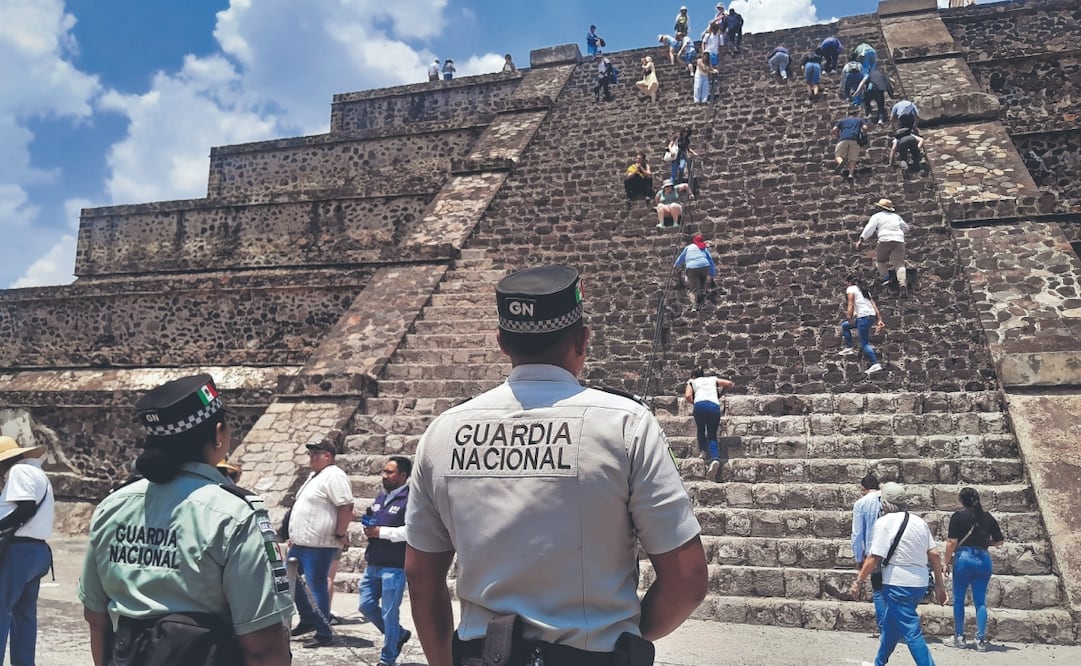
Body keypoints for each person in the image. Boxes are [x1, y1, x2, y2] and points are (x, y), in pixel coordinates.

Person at [405, 265, 708, 666]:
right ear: (582, 340)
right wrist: (628, 633)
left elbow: (421, 576)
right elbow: (687, 579)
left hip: (482, 656)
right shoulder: (624, 424)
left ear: (501, 343)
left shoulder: (444, 432)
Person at [77, 374, 293, 666]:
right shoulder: (235, 515)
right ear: (218, 434)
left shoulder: (112, 507)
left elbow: (96, 618)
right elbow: (263, 646)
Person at [849, 482, 946, 666]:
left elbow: (874, 557)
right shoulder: (919, 522)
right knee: (891, 625)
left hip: (897, 583)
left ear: (884, 503)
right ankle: (879, 662)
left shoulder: (884, 523)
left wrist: (858, 582)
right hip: (919, 583)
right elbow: (934, 554)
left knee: (911, 632)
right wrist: (940, 586)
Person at [287, 438, 355, 648]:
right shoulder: (315, 476)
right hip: (301, 543)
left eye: (316, 453)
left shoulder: (334, 475)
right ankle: (308, 618)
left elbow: (346, 506)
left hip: (319, 544)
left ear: (327, 456)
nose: (311, 457)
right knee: (288, 578)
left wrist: (340, 533)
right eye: (310, 453)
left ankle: (323, 632)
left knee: (316, 586)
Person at [0, 436, 54, 666]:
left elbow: (27, 508)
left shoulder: (18, 471)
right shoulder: (36, 472)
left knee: (2, 610)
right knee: (24, 615)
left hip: (17, 551)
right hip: (36, 551)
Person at [360, 456, 414, 666]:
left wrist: (381, 532)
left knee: (389, 614)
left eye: (389, 472)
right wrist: (368, 528)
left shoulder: (410, 499)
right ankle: (398, 635)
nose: (384, 475)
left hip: (394, 566)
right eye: (383, 471)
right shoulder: (380, 497)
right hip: (373, 562)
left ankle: (387, 659)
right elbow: (373, 523)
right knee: (365, 605)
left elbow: (411, 532)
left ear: (403, 475)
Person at [943, 488, 1004, 652]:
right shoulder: (988, 517)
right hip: (983, 560)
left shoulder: (957, 517)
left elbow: (952, 542)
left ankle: (959, 637)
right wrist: (985, 543)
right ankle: (980, 640)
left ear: (961, 500)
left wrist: (946, 562)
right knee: (980, 601)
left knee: (959, 599)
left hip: (964, 559)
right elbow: (999, 541)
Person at [850, 473, 886, 636]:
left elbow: (857, 533)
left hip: (873, 552)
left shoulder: (861, 503)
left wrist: (858, 557)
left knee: (878, 590)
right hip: (893, 551)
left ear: (863, 489)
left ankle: (883, 628)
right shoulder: (888, 499)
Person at [685, 368, 734, 480]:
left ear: (693, 375)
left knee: (701, 429)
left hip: (700, 406)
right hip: (714, 406)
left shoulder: (692, 381)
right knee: (712, 434)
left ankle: (703, 451)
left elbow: (688, 396)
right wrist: (720, 394)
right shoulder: (712, 379)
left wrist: (695, 402)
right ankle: (715, 458)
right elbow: (729, 383)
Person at [856, 198, 912, 294]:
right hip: (898, 240)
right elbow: (906, 228)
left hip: (884, 240)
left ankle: (886, 278)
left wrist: (861, 239)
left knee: (880, 260)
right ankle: (902, 283)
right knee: (899, 263)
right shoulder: (896, 217)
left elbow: (870, 228)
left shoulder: (877, 216)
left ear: (880, 207)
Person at [839, 274, 886, 375]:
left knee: (865, 343)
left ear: (849, 282)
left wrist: (849, 317)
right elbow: (873, 305)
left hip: (863, 317)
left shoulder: (851, 289)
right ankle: (849, 347)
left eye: (846, 283)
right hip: (870, 317)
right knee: (845, 326)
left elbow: (850, 304)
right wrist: (879, 319)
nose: (846, 285)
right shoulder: (864, 291)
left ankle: (875, 364)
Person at [674, 234, 716, 311]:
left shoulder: (688, 247)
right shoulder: (704, 248)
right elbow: (710, 260)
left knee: (694, 288)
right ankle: (702, 294)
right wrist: (712, 274)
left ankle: (696, 303)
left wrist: (676, 265)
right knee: (703, 281)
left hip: (692, 268)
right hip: (704, 266)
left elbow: (681, 257)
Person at [832, 106, 868, 181]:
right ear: (856, 114)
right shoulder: (859, 120)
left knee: (838, 155)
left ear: (848, 114)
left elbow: (834, 129)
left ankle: (841, 162)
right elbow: (865, 128)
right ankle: (850, 174)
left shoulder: (842, 121)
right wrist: (864, 134)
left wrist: (838, 136)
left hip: (843, 139)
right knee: (853, 158)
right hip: (854, 140)